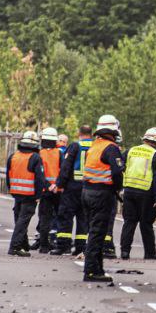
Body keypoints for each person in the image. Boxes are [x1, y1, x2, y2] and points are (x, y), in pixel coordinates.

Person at [81, 115, 125, 282]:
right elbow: (116, 172)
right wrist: (118, 189)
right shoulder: (111, 148)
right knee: (98, 233)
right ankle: (91, 271)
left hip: (87, 192)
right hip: (101, 194)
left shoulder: (94, 146)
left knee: (94, 231)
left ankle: (97, 268)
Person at [119, 127, 156, 260]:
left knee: (129, 222)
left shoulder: (131, 151)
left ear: (144, 139)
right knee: (146, 223)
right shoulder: (155, 154)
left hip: (129, 191)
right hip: (146, 193)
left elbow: (120, 166)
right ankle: (150, 253)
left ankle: (125, 252)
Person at [50, 124, 94, 256]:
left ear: (79, 133)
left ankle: (63, 245)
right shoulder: (96, 146)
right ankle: (81, 247)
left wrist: (59, 184)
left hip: (72, 188)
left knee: (65, 216)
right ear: (91, 134)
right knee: (83, 218)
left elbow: (66, 167)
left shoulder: (75, 146)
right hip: (89, 187)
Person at [6, 131, 47, 257]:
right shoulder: (35, 158)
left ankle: (23, 245)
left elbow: (8, 175)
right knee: (23, 221)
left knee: (19, 219)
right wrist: (39, 195)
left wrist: (11, 189)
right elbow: (40, 179)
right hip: (29, 195)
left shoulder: (13, 156)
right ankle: (15, 247)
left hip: (16, 193)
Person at [34, 127, 62, 253]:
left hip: (45, 191)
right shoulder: (60, 153)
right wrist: (56, 185)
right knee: (60, 217)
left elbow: (40, 173)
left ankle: (44, 245)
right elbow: (63, 170)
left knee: (44, 218)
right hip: (58, 191)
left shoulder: (39, 154)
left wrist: (47, 185)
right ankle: (59, 244)